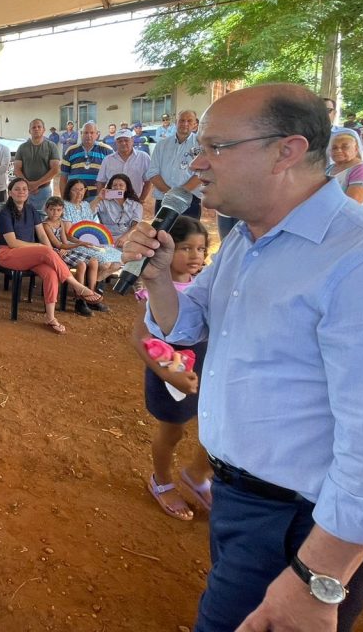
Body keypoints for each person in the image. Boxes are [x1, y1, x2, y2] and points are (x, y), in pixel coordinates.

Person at [125, 83, 363, 631]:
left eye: (216, 147)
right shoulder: (248, 238)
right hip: (243, 503)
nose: (198, 163)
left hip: (303, 527)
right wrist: (158, 279)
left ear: (287, 151)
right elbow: (188, 321)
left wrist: (316, 579)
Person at [130, 216, 213, 521]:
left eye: (201, 249)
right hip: (169, 378)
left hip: (203, 370)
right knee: (172, 432)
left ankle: (197, 475)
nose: (195, 256)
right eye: (186, 248)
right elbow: (140, 338)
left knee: (213, 431)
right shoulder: (155, 290)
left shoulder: (206, 287)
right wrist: (168, 374)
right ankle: (161, 481)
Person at [0, 178, 102, 335]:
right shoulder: (5, 213)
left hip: (30, 256)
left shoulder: (31, 210)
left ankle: (50, 318)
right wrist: (41, 247)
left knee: (51, 273)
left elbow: (43, 236)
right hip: (8, 254)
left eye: (24, 189)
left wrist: (49, 251)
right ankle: (77, 286)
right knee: (44, 250)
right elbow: (12, 242)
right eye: (17, 189)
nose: (21, 191)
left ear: (28, 192)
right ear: (10, 192)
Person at [38, 196, 102, 317]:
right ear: (46, 210)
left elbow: (66, 239)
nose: (55, 212)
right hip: (55, 252)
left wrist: (79, 242)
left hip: (65, 249)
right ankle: (80, 300)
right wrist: (79, 243)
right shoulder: (46, 225)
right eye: (52, 209)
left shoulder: (61, 222)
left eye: (58, 210)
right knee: (82, 264)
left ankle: (91, 293)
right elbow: (57, 244)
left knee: (94, 261)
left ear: (62, 210)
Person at [147, 109, 202, 218]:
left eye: (189, 121)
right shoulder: (162, 145)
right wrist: (170, 194)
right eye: (182, 120)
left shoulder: (201, 144)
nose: (185, 124)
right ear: (176, 122)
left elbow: (202, 173)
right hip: (163, 200)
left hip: (190, 201)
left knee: (188, 235)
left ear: (195, 124)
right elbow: (152, 172)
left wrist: (179, 194)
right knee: (162, 233)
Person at [14, 118, 61, 214]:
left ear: (44, 129)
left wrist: (36, 184)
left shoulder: (51, 146)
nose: (36, 129)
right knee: (25, 217)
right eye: (33, 127)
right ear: (29, 131)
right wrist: (28, 185)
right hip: (25, 191)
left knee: (42, 218)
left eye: (39, 127)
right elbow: (17, 169)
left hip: (44, 190)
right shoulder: (22, 147)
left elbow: (55, 169)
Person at [60, 122, 113, 201]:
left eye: (92, 132)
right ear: (81, 134)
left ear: (97, 134)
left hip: (98, 198)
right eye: (86, 132)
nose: (89, 135)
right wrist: (65, 199)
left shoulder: (107, 150)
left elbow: (114, 175)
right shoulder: (70, 151)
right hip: (75, 198)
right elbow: (63, 178)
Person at [96, 129, 153, 201]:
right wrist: (102, 200)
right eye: (120, 141)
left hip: (134, 200)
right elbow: (100, 182)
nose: (123, 143)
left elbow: (148, 181)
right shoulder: (108, 160)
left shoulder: (143, 157)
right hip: (112, 202)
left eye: (126, 140)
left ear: (132, 140)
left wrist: (141, 200)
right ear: (116, 143)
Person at [325, 127, 363, 205]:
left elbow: (351, 204)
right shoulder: (329, 169)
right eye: (334, 148)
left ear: (356, 149)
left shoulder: (362, 170)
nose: (338, 150)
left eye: (345, 147)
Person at [96, 173, 144, 243]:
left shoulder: (136, 205)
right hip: (106, 238)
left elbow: (136, 225)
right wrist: (98, 198)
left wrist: (124, 238)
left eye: (121, 185)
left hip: (128, 238)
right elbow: (88, 213)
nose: (117, 187)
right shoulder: (103, 202)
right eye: (114, 185)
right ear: (110, 187)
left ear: (126, 188)